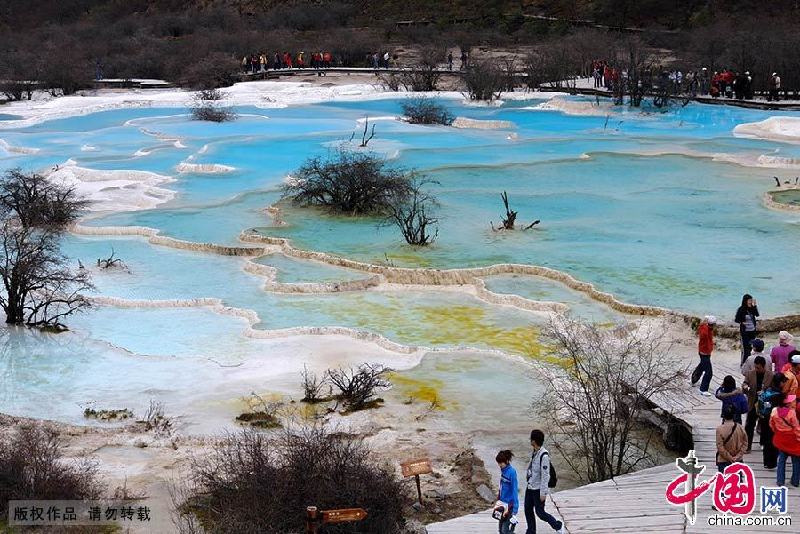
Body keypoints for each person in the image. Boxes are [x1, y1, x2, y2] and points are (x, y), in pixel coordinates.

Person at [525, 430, 564, 534]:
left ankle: (557, 525)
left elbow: (545, 476)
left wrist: (543, 493)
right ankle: (531, 531)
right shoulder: (534, 452)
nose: (530, 440)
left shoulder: (544, 456)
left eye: (531, 439)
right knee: (527, 510)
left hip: (538, 490)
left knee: (540, 513)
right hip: (530, 487)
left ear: (534, 441)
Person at [743, 355, 773, 452]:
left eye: (758, 368)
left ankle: (763, 443)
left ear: (763, 366)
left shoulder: (771, 375)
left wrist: (766, 392)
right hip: (753, 402)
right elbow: (744, 383)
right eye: (755, 367)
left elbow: (774, 389)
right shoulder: (750, 373)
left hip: (765, 404)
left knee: (765, 425)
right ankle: (747, 446)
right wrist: (745, 387)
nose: (756, 369)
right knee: (749, 425)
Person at [769, 393, 800, 487]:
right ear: (786, 402)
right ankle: (795, 481)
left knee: (782, 460)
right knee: (796, 461)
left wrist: (777, 432)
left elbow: (771, 424)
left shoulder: (774, 411)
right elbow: (796, 427)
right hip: (792, 439)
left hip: (781, 438)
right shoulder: (791, 412)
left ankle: (780, 481)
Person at [759, 373, 787, 469]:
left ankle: (766, 462)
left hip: (764, 417)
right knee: (773, 440)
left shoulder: (768, 390)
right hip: (774, 420)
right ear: (780, 382)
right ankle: (772, 462)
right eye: (784, 381)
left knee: (767, 440)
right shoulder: (779, 395)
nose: (784, 383)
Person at [716, 404, 748, 473]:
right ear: (734, 415)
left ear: (723, 416)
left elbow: (720, 447)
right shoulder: (740, 428)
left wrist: (729, 457)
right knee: (737, 481)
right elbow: (745, 444)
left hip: (723, 460)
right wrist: (738, 456)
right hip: (738, 460)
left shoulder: (720, 429)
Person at [495, 450, 519, 533]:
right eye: (498, 463)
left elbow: (515, 490)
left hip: (509, 506)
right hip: (502, 504)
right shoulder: (503, 471)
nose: (499, 465)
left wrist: (515, 509)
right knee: (500, 530)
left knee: (504, 531)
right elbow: (501, 486)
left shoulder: (512, 472)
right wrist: (498, 497)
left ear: (507, 461)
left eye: (501, 463)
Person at [692, 315, 716, 395]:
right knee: (709, 372)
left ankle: (693, 379)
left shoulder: (708, 328)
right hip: (704, 352)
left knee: (702, 366)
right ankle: (703, 389)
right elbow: (704, 335)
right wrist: (704, 324)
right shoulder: (705, 329)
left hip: (706, 351)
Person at [735, 294, 759, 366]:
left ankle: (749, 362)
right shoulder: (741, 309)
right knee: (745, 349)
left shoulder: (752, 308)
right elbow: (736, 319)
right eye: (749, 300)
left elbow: (757, 314)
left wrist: (755, 306)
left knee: (751, 347)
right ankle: (743, 363)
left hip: (752, 331)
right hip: (745, 332)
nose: (750, 301)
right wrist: (742, 322)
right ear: (745, 301)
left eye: (751, 300)